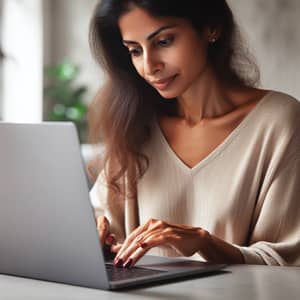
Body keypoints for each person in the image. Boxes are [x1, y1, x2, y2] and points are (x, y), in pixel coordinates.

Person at [88, 0, 300, 268]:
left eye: (164, 41)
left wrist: (204, 242)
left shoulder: (279, 121)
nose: (149, 66)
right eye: (135, 50)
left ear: (211, 27)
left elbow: (287, 261)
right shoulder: (135, 124)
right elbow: (102, 221)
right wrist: (97, 234)